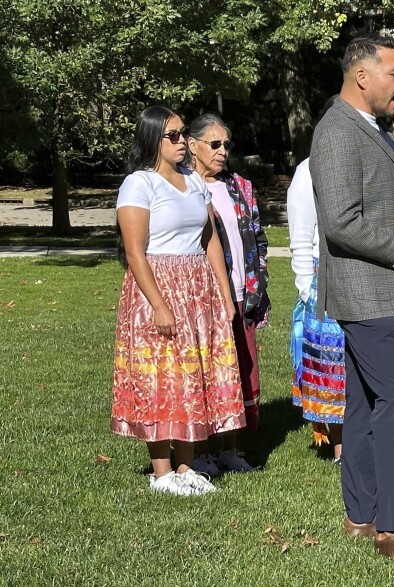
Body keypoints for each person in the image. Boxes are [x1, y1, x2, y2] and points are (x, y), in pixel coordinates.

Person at [310, 32, 394, 563]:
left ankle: (361, 516)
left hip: (381, 290)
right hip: (366, 290)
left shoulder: (371, 127)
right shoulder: (336, 131)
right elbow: (340, 225)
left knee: (362, 404)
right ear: (362, 75)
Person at [112, 106, 246, 496]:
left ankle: (187, 467)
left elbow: (210, 240)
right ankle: (161, 471)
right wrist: (158, 305)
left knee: (194, 374)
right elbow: (135, 252)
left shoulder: (195, 182)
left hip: (197, 287)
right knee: (162, 376)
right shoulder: (140, 184)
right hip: (157, 285)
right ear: (153, 139)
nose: (181, 142)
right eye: (172, 135)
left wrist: (225, 293)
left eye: (183, 133)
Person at [186, 113, 269, 475]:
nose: (222, 152)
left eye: (226, 145)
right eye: (214, 144)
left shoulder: (239, 186)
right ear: (192, 144)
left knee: (240, 371)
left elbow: (257, 237)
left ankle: (230, 450)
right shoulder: (184, 187)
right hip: (205, 296)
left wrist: (258, 281)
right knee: (207, 373)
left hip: (241, 295)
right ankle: (201, 451)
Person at [288, 156, 346, 463]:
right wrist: (306, 286)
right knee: (331, 362)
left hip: (365, 272)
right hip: (323, 273)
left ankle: (371, 442)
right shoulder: (309, 169)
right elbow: (300, 234)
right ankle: (341, 447)